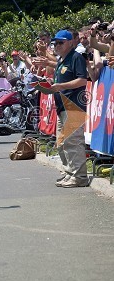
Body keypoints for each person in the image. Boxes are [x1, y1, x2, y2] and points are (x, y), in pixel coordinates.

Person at [49, 30, 89, 188]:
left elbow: (82, 80)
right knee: (61, 142)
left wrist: (61, 86)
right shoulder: (61, 60)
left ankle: (79, 176)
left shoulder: (76, 57)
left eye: (61, 42)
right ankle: (70, 172)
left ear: (70, 42)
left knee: (73, 142)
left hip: (73, 105)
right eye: (55, 43)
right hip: (62, 107)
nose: (57, 46)